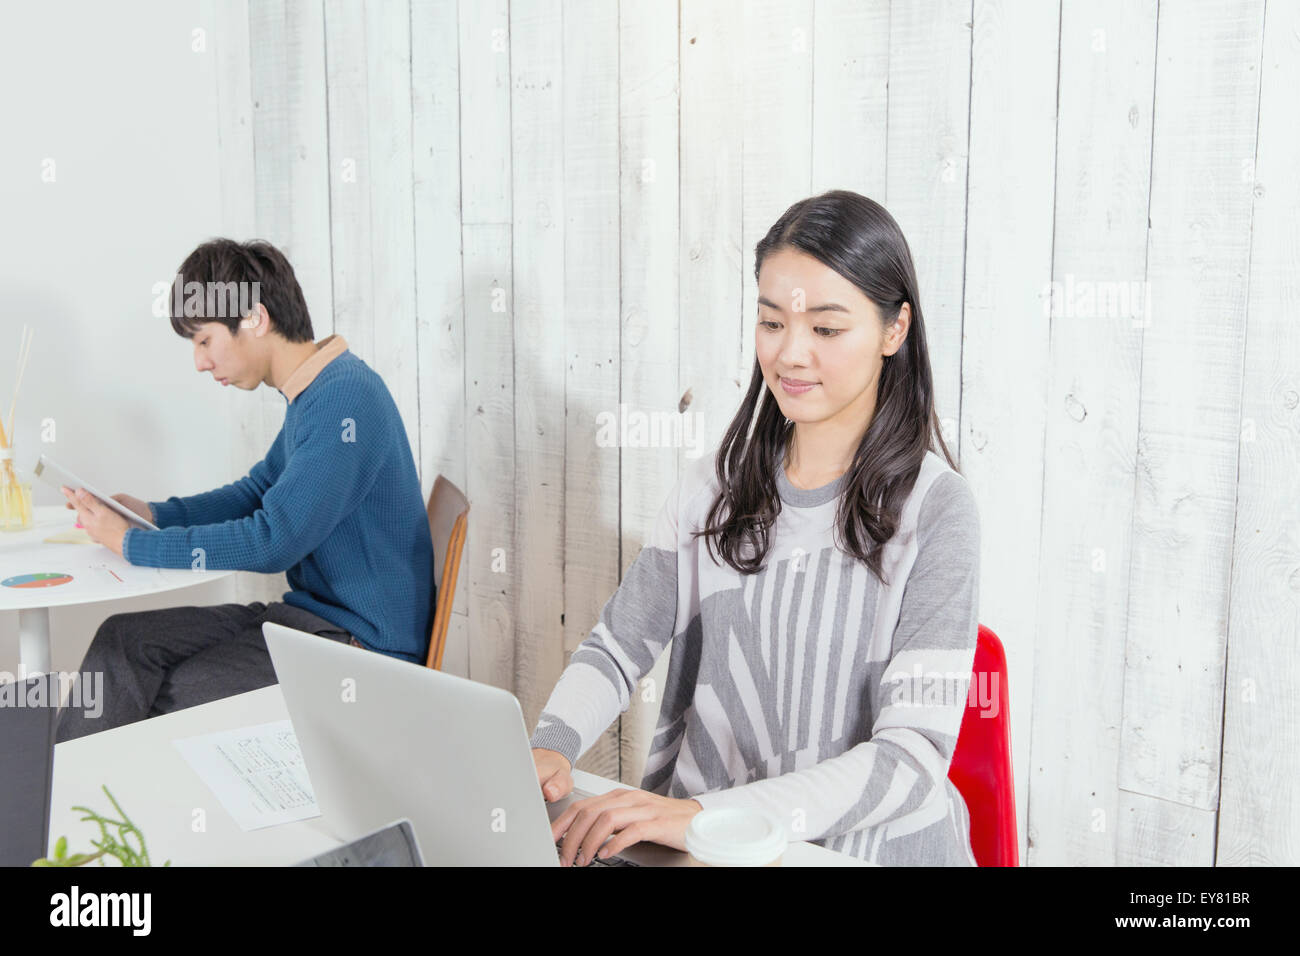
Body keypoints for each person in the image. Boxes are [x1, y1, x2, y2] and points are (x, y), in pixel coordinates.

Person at [531, 190, 982, 866]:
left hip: (854, 852)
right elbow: (620, 644)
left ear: (895, 330)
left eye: (826, 329)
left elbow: (911, 757)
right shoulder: (715, 485)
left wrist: (705, 818)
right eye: (773, 322)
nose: (791, 355)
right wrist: (550, 747)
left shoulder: (939, 511)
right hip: (701, 846)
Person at [56, 238, 434, 742]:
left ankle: (66, 809)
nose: (199, 362)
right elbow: (259, 490)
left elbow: (274, 540)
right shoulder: (316, 391)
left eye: (204, 340)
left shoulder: (344, 400)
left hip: (356, 650)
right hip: (309, 623)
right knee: (122, 643)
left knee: (161, 694)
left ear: (254, 318)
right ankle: (54, 805)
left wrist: (131, 544)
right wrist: (153, 514)